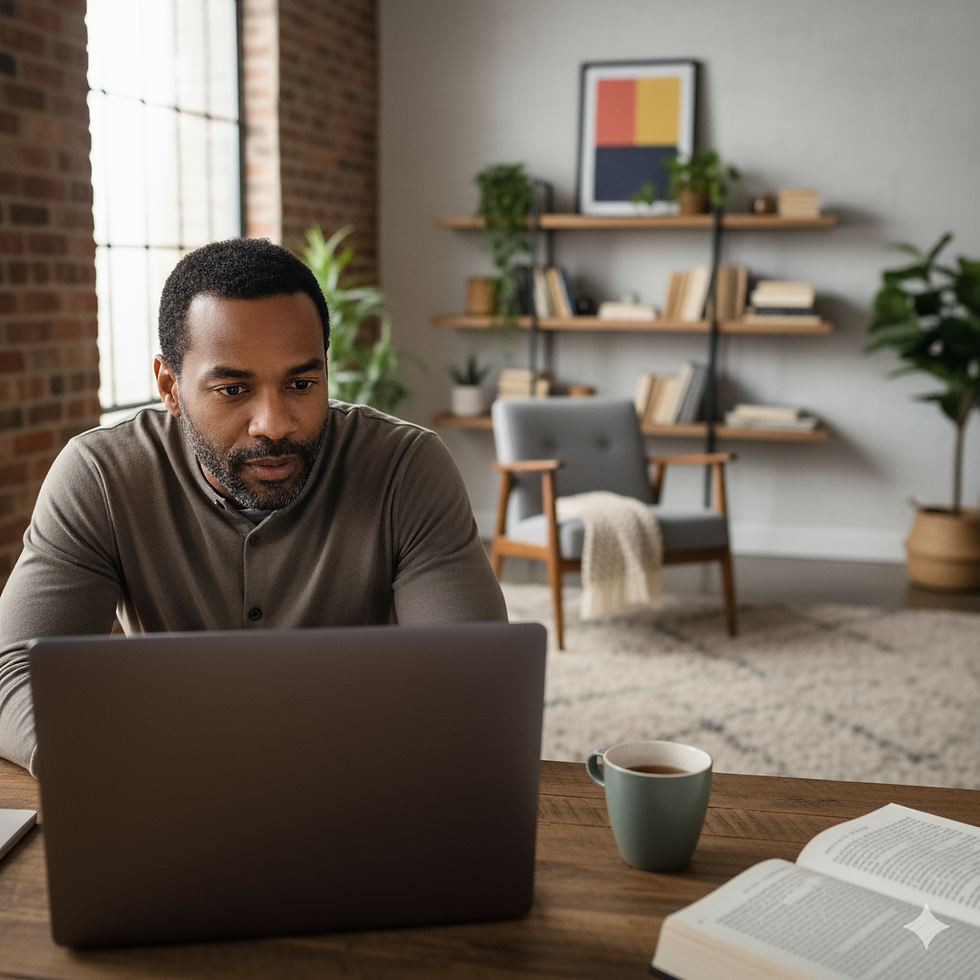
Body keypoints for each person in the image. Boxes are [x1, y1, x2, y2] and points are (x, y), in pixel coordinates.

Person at [0, 237, 507, 775]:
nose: (275, 423)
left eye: (301, 383)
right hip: (170, 792)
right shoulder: (100, 475)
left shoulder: (408, 468)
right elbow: (12, 674)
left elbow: (473, 684)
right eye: (234, 390)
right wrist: (118, 765)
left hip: (359, 790)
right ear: (170, 387)